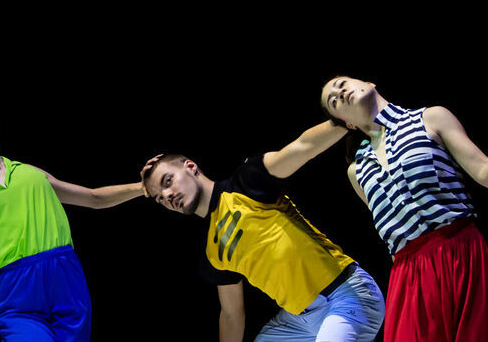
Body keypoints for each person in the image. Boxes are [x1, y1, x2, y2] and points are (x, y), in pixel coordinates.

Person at [132, 120, 386, 341]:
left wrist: (343, 121)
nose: (167, 195)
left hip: (346, 296)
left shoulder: (246, 182)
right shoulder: (212, 253)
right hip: (299, 321)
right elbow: (232, 315)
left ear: (191, 167)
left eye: (168, 181)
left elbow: (302, 148)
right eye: (159, 198)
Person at [320, 75, 488, 342]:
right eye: (333, 100)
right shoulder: (357, 170)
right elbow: (392, 235)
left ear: (370, 83)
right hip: (409, 276)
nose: (340, 92)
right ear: (348, 123)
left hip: (462, 253)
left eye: (342, 84)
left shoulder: (431, 118)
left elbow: (487, 175)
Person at [0, 105, 144, 342]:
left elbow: (93, 198)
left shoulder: (30, 173)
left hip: (67, 282)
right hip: (19, 294)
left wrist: (143, 187)